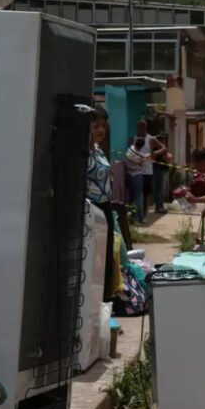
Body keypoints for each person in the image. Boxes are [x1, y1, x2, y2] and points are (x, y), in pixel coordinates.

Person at [86, 107, 116, 302]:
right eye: (96, 126)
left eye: (103, 126)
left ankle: (104, 300)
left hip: (106, 207)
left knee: (105, 256)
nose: (100, 130)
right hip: (93, 209)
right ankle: (94, 300)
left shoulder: (98, 150)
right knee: (94, 257)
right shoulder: (84, 153)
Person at [124, 121, 168, 223]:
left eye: (143, 128)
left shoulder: (151, 139)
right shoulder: (133, 139)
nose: (141, 130)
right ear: (137, 128)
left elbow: (164, 148)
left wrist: (155, 153)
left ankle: (144, 215)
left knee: (146, 194)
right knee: (135, 195)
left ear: (146, 128)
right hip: (135, 171)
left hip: (147, 171)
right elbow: (128, 150)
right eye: (139, 128)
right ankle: (134, 215)